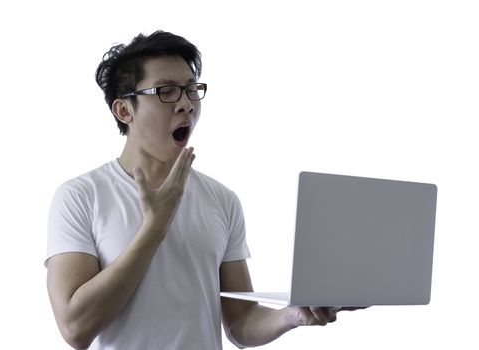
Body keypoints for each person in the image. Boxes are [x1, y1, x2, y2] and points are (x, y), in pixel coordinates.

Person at [46, 30, 357, 350]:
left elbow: (241, 322)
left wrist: (292, 315)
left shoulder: (221, 200)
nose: (185, 104)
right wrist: (154, 228)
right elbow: (75, 328)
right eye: (166, 91)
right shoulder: (80, 196)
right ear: (124, 111)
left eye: (191, 89)